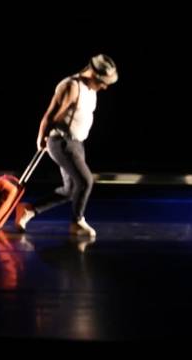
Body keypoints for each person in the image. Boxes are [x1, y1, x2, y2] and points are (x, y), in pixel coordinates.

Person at [14, 54, 118, 246]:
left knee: (71, 189)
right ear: (92, 74)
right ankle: (77, 222)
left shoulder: (90, 88)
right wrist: (41, 137)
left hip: (76, 143)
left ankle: (28, 210)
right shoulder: (71, 86)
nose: (105, 87)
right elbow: (50, 115)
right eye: (102, 82)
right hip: (62, 142)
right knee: (85, 181)